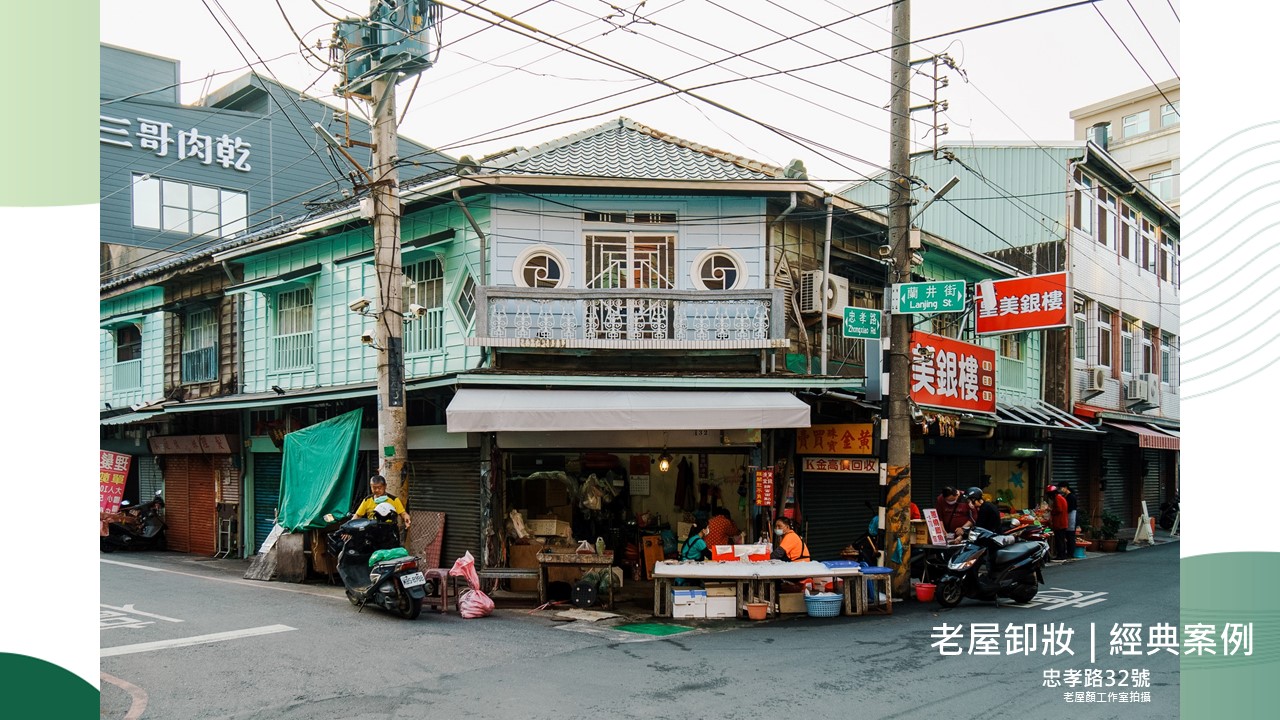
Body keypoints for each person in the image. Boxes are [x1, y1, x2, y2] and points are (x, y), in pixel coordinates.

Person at [1046, 485, 1070, 560]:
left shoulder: (1057, 498)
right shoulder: (1061, 497)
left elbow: (1059, 509)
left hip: (1059, 523)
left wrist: (1051, 511)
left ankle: (1060, 555)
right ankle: (1063, 554)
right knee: (1061, 539)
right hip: (1063, 522)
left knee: (1059, 540)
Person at [1059, 481, 1078, 555]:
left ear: (1065, 487)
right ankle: (1069, 552)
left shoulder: (1071, 497)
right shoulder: (1065, 496)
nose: (1061, 490)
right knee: (1068, 535)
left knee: (1070, 536)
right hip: (1067, 518)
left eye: (1061, 488)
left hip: (1071, 518)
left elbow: (1070, 508)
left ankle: (1071, 552)